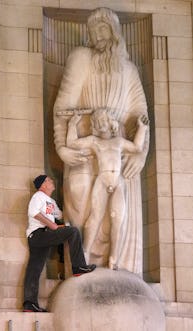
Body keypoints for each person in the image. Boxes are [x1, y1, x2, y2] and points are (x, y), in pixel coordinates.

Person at [53, 7, 149, 274]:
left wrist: (140, 153)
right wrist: (62, 147)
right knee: (82, 196)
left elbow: (141, 115)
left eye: (103, 28)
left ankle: (115, 263)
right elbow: (63, 106)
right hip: (84, 140)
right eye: (93, 30)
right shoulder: (80, 58)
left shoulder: (128, 70)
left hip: (118, 153)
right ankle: (81, 263)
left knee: (118, 215)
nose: (98, 35)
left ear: (115, 33)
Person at [66, 110, 149, 270]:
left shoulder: (118, 141)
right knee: (95, 217)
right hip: (102, 181)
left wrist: (142, 128)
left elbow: (137, 147)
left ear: (110, 121)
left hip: (117, 182)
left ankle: (113, 258)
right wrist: (72, 124)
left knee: (117, 220)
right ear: (94, 125)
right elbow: (72, 143)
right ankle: (85, 254)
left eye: (103, 119)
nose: (101, 123)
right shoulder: (94, 141)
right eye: (97, 120)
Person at [22, 175, 96, 312]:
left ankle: (29, 304)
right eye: (49, 180)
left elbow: (61, 216)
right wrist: (53, 226)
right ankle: (79, 267)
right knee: (73, 232)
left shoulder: (50, 201)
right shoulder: (38, 196)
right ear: (43, 185)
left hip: (43, 236)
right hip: (38, 234)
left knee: (35, 269)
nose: (52, 181)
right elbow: (34, 212)